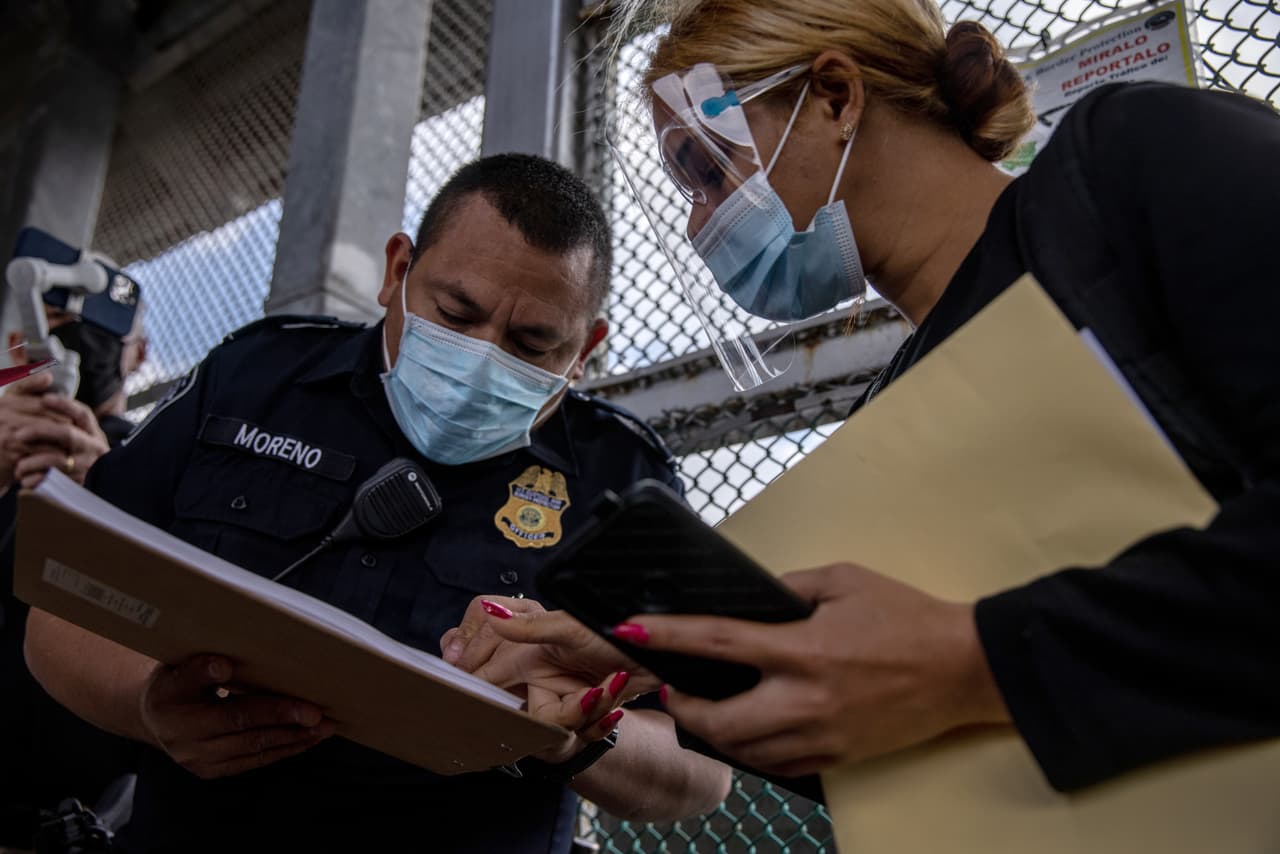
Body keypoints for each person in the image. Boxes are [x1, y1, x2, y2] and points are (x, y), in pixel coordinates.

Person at [444, 0, 1280, 795]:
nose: (700, 222)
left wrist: (977, 663)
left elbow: (976, 674)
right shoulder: (896, 417)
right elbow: (919, 752)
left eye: (705, 166)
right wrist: (639, 663)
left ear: (837, 96)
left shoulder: (1133, 162)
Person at [23, 153, 730, 853]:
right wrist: (150, 703)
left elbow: (703, 769)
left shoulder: (626, 483)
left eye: (533, 344)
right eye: (455, 313)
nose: (479, 360)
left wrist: (576, 737)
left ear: (586, 350)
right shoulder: (255, 377)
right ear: (398, 271)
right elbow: (60, 607)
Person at [0, 301, 148, 849]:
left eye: (103, 329)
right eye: (55, 323)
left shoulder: (155, 459)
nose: (73, 345)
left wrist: (115, 494)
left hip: (83, 814)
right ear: (22, 339)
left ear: (141, 351)